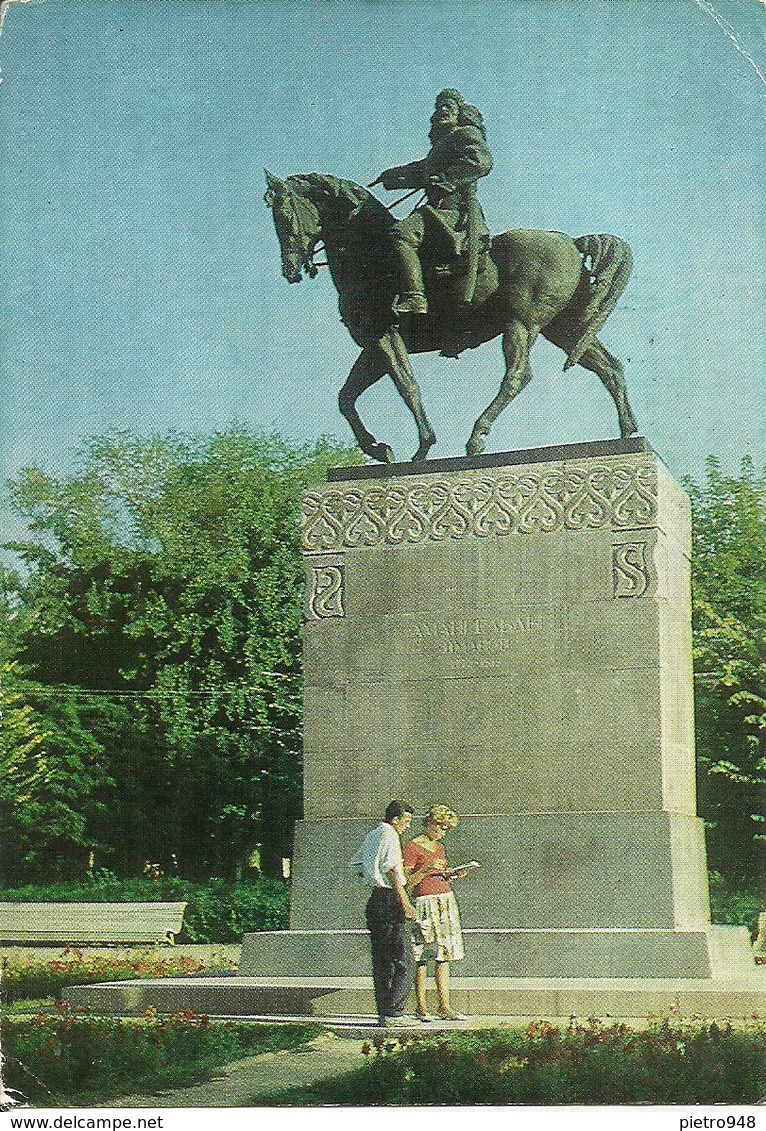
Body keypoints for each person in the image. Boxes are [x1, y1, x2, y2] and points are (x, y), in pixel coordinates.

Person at [370, 89, 493, 315]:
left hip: (455, 212)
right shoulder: (440, 148)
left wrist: (447, 180)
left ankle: (415, 297)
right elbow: (421, 171)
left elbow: (481, 162)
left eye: (449, 106)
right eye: (439, 107)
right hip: (438, 211)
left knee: (401, 234)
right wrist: (391, 177)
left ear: (459, 113)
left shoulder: (465, 134)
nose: (442, 110)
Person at [349, 800, 417, 1027]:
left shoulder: (373, 834)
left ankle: (385, 1012)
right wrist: (404, 902)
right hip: (390, 900)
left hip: (376, 899)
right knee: (404, 960)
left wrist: (372, 878)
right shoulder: (389, 834)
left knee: (382, 961)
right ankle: (394, 1011)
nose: (407, 826)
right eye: (406, 821)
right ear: (395, 818)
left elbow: (356, 865)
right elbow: (391, 869)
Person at [402, 804, 467, 1021]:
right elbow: (406, 883)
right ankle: (421, 1007)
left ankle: (444, 1006)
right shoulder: (412, 847)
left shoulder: (439, 847)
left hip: (444, 900)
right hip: (424, 903)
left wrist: (453, 875)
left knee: (444, 954)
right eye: (440, 827)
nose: (442, 832)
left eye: (445, 829)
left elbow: (438, 876)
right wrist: (425, 869)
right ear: (429, 823)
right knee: (422, 955)